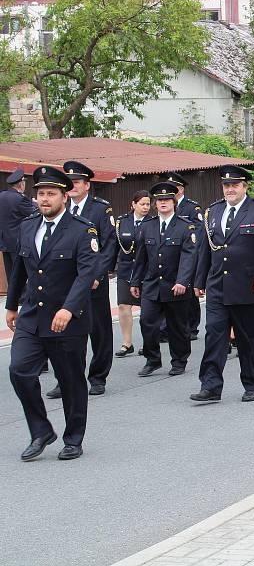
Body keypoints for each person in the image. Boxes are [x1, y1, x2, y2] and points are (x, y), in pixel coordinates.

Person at [7, 166, 98, 461]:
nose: (44, 199)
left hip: (67, 320)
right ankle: (41, 430)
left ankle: (73, 438)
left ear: (64, 195)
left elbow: (86, 275)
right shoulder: (27, 226)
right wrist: (11, 305)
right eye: (40, 194)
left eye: (51, 194)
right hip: (33, 316)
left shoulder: (83, 230)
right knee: (19, 370)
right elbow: (20, 268)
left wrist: (69, 309)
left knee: (71, 380)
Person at [191, 165, 254, 402]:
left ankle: (252, 384)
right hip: (218, 285)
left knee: (247, 338)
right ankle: (210, 386)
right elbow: (205, 249)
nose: (230, 189)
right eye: (226, 185)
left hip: (248, 286)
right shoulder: (213, 211)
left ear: (245, 187)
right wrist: (199, 280)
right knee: (214, 335)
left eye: (235, 185)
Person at [47, 161, 116, 398]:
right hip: (65, 282)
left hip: (93, 282)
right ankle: (65, 379)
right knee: (65, 333)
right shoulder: (60, 211)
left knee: (99, 330)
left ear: (87, 185)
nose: (72, 187)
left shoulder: (100, 210)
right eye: (69, 183)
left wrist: (95, 276)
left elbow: (107, 246)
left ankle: (98, 377)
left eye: (76, 182)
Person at [130, 182, 197, 377]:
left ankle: (179, 360)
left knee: (177, 326)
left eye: (167, 199)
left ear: (174, 202)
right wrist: (135, 281)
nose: (163, 203)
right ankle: (153, 360)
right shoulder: (147, 226)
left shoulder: (185, 226)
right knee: (147, 321)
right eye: (159, 200)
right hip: (152, 284)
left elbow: (189, 256)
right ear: (155, 204)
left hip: (175, 284)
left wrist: (182, 281)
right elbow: (141, 257)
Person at [162, 171, 203, 340]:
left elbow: (199, 232)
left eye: (174, 188)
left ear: (181, 189)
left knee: (189, 292)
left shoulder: (192, 208)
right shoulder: (163, 205)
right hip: (169, 256)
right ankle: (167, 327)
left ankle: (192, 326)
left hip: (188, 255)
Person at [114, 190, 151, 358]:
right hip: (125, 269)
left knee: (147, 308)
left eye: (148, 204)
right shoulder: (122, 222)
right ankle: (127, 343)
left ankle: (148, 342)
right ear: (133, 204)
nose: (145, 207)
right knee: (123, 305)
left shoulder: (152, 222)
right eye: (142, 204)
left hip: (145, 270)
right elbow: (115, 246)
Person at [0, 169, 36, 280]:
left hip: (4, 242)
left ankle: (12, 297)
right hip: (17, 242)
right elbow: (35, 213)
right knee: (20, 277)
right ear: (21, 184)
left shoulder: (1, 195)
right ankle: (21, 297)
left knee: (10, 275)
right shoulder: (20, 199)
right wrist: (35, 203)